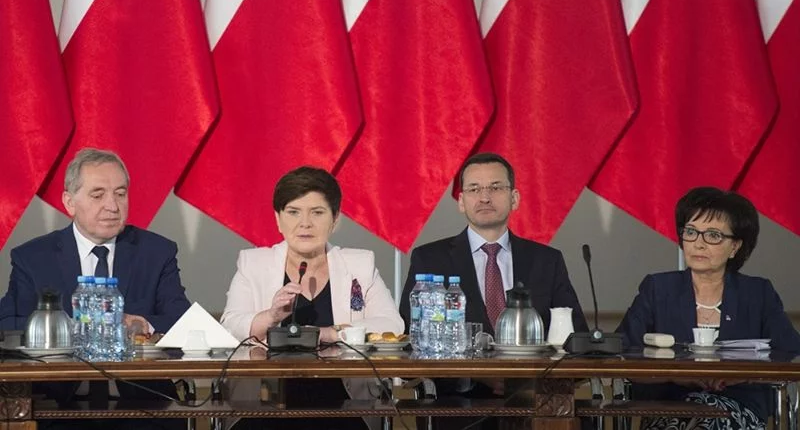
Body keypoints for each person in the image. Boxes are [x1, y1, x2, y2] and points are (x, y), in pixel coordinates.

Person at [0, 148, 191, 429]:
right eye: (98, 194)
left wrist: (143, 324)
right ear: (69, 202)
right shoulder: (34, 258)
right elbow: (7, 325)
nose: (112, 206)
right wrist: (73, 328)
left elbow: (182, 318)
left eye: (121, 193)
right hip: (57, 404)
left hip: (143, 402)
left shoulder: (156, 251)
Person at [398, 152, 588, 430]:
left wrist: (526, 376)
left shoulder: (546, 260)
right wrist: (478, 374)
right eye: (474, 189)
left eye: (496, 188)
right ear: (461, 202)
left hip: (536, 401)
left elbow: (575, 335)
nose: (484, 197)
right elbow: (412, 337)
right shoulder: (430, 259)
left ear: (515, 198)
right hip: (460, 403)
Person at [221, 166, 404, 430]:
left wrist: (331, 333)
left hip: (346, 406)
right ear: (278, 219)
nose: (305, 223)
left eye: (317, 212)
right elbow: (229, 325)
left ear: (335, 219)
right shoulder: (254, 263)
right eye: (293, 212)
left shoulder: (359, 264)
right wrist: (270, 316)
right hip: (265, 407)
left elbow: (392, 325)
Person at [616, 186, 800, 430]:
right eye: (691, 232)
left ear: (735, 246)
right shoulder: (658, 288)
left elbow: (791, 354)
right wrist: (676, 375)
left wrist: (740, 375)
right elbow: (621, 353)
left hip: (738, 405)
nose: (698, 244)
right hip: (669, 406)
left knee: (707, 423)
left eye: (713, 235)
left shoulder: (757, 293)